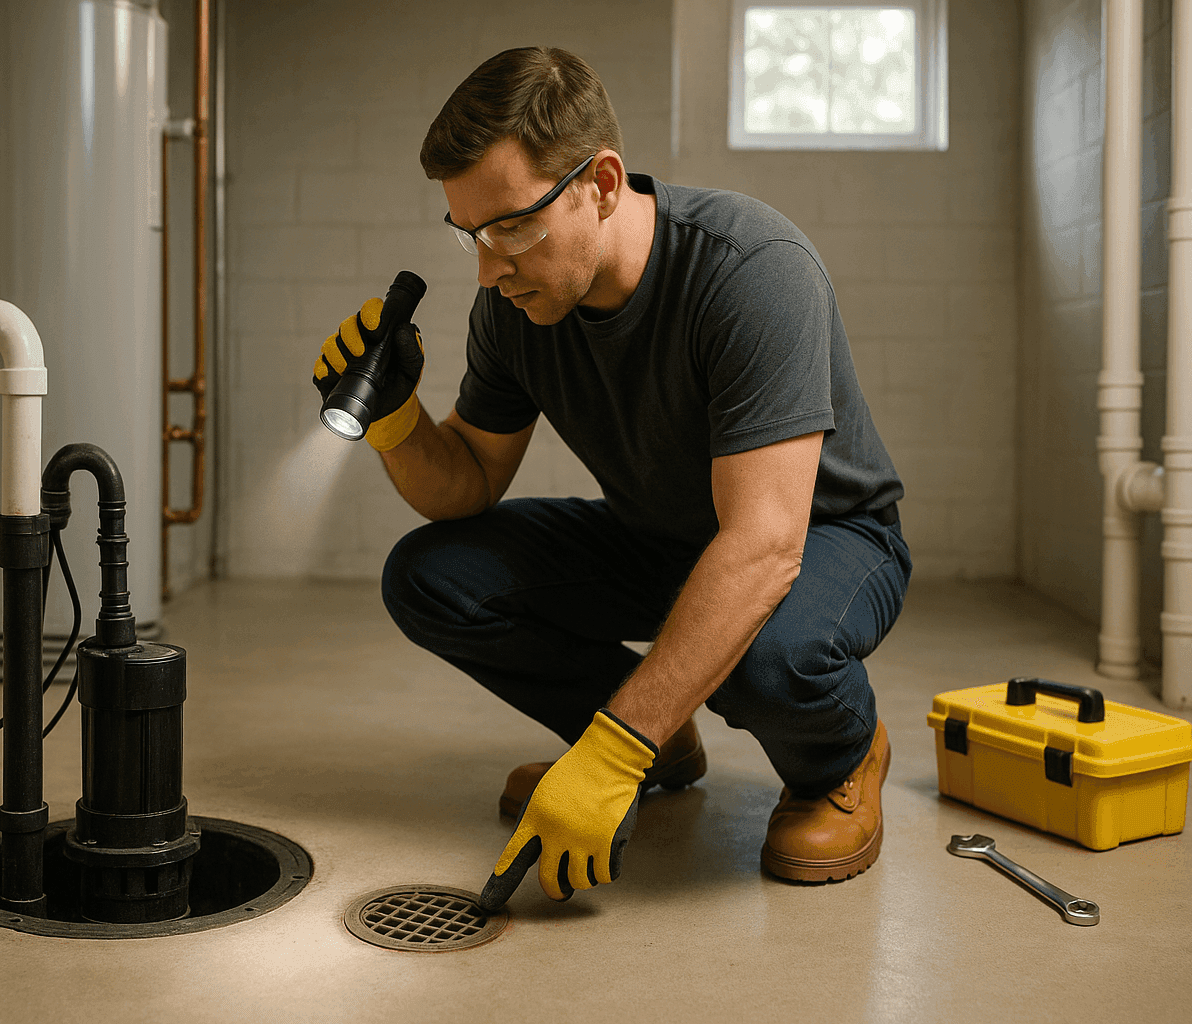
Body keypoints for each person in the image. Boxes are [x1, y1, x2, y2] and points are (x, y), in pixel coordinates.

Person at [311, 47, 910, 910]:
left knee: (766, 653)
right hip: (661, 536)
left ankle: (841, 756)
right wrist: (397, 424)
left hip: (825, 539)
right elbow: (471, 481)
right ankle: (657, 741)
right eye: (468, 234)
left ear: (600, 181)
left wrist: (609, 752)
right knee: (432, 577)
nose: (487, 268)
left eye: (511, 226)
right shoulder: (515, 307)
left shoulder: (750, 271)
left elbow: (763, 547)